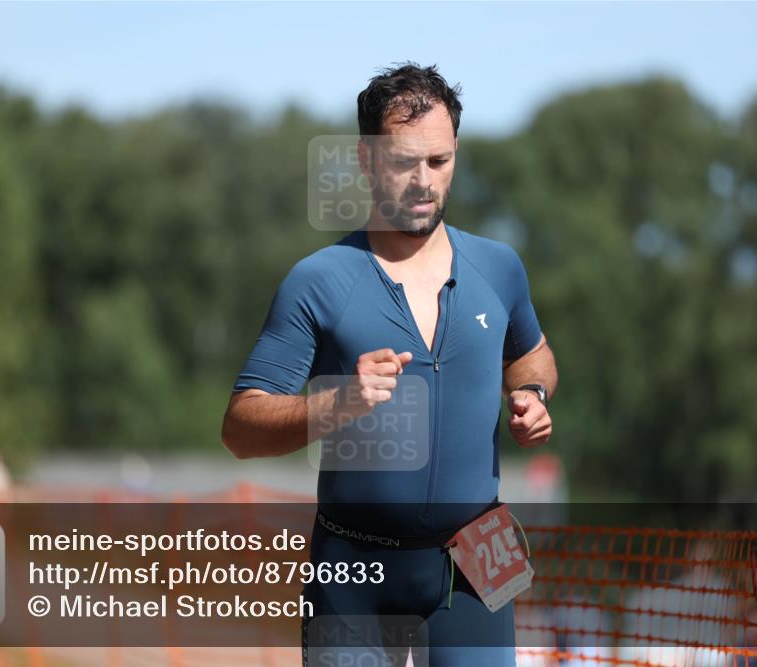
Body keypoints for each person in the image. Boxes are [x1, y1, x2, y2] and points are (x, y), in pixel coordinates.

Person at [222, 63, 558, 667]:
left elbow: (532, 353)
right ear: (367, 160)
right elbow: (240, 428)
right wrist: (336, 402)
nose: (424, 181)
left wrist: (532, 392)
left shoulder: (499, 267)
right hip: (355, 563)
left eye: (440, 161)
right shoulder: (319, 280)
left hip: (481, 554)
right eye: (405, 163)